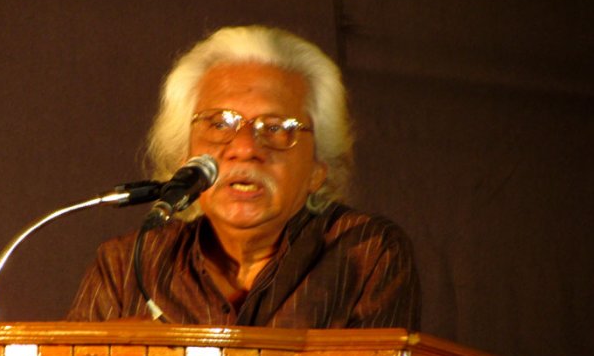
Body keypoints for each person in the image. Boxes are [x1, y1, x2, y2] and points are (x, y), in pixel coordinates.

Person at [67, 25, 421, 329]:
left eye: (276, 128)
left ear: (318, 169)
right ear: (184, 158)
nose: (245, 148)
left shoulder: (366, 252)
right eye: (220, 124)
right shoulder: (125, 266)